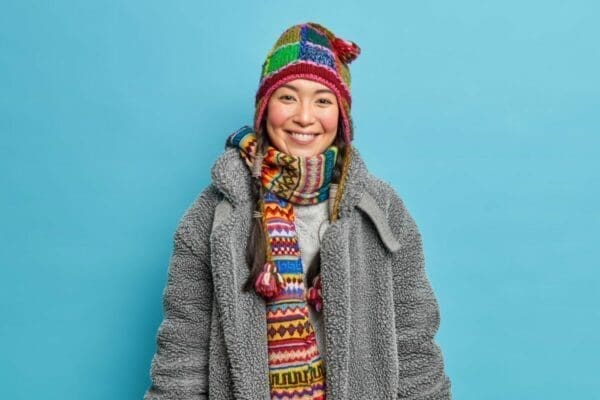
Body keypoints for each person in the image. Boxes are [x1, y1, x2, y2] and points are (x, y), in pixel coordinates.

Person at [144, 22, 452, 400]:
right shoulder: (213, 216)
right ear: (264, 108)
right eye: (287, 97)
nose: (304, 117)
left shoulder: (381, 209)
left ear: (341, 116)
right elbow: (183, 354)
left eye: (322, 100)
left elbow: (413, 343)